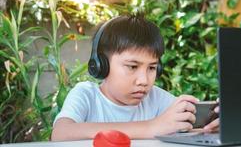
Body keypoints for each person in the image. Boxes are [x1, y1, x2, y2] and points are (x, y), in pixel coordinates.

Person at [51, 15, 219, 141]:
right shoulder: (86, 95)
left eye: (152, 68)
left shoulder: (155, 97)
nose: (144, 81)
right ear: (101, 65)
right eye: (132, 66)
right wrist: (151, 127)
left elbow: (183, 123)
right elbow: (60, 133)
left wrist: (210, 127)